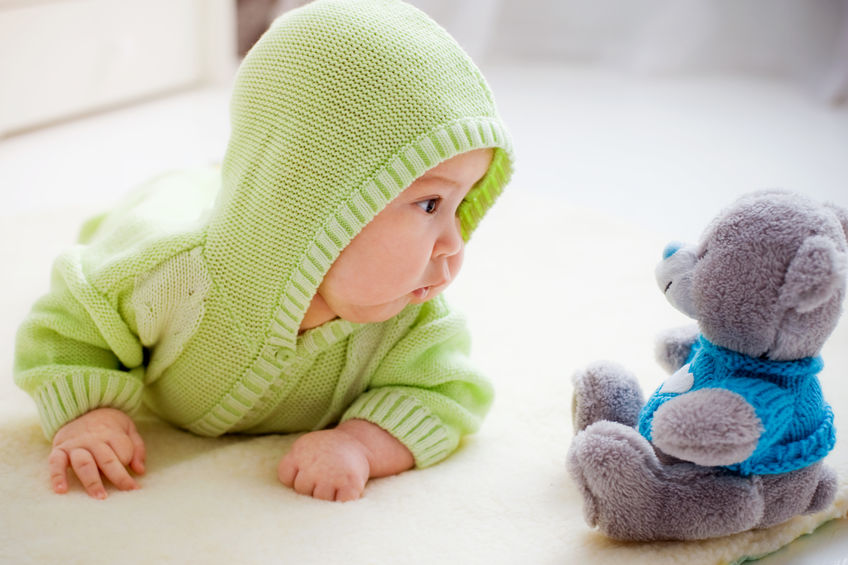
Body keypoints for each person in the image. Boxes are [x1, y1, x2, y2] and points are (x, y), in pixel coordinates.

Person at [13, 0, 513, 502]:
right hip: (175, 206)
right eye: (429, 203)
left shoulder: (414, 322)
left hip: (267, 207)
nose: (454, 243)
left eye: (461, 204)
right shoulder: (166, 273)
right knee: (159, 205)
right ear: (322, 197)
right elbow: (69, 325)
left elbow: (446, 394)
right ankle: (219, 181)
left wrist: (361, 444)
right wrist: (88, 412)